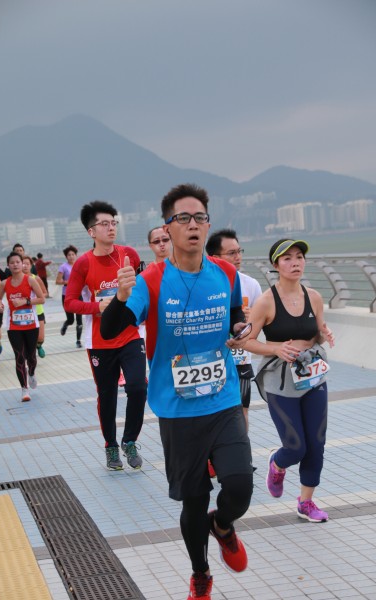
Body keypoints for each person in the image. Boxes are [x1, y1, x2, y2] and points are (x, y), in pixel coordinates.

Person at [101, 183, 253, 600]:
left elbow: (233, 312)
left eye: (200, 217)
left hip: (222, 399)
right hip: (178, 409)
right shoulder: (150, 281)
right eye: (183, 218)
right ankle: (201, 573)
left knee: (240, 487)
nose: (193, 225)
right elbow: (111, 330)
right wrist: (121, 296)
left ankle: (222, 525)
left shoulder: (225, 273)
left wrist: (239, 327)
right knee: (193, 500)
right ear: (167, 228)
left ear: (208, 225)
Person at [243, 239, 335, 523]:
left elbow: (316, 332)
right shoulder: (266, 301)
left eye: (299, 257)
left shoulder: (314, 297)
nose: (295, 263)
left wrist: (325, 334)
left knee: (316, 442)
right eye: (287, 258)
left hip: (313, 376)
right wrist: (275, 349)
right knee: (296, 447)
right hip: (279, 380)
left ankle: (305, 502)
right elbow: (247, 341)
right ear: (276, 264)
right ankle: (277, 463)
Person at [65, 200, 147, 471]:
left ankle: (130, 441)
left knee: (138, 387)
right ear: (91, 231)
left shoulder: (129, 254)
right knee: (107, 394)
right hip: (100, 341)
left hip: (130, 334)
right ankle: (111, 446)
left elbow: (141, 288)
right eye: (104, 224)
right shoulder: (83, 264)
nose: (111, 227)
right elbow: (70, 302)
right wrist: (97, 306)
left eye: (114, 222)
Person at [206, 229, 262, 434]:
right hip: (211, 361)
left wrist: (250, 320)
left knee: (242, 410)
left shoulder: (251, 284)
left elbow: (259, 327)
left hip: (241, 360)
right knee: (212, 413)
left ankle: (242, 451)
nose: (238, 257)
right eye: (231, 253)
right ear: (214, 257)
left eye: (239, 251)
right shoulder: (203, 285)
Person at [0, 251, 45, 402]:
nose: (15, 265)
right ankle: (24, 389)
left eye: (18, 262)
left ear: (22, 264)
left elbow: (42, 299)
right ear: (8, 265)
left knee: (31, 357)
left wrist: (26, 301)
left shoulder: (30, 280)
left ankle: (31, 373)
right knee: (19, 356)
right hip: (14, 326)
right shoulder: (4, 283)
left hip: (31, 324)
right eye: (12, 263)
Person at [56, 245, 83, 348]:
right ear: (66, 256)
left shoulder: (79, 266)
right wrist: (68, 282)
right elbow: (57, 281)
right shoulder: (63, 267)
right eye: (69, 255)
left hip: (78, 295)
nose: (71, 256)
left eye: (73, 254)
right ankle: (66, 325)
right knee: (71, 320)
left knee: (79, 319)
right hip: (67, 296)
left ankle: (78, 341)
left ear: (76, 255)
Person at [22, 256, 48, 358]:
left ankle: (39, 345)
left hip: (38, 311)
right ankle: (29, 354)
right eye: (23, 264)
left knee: (40, 338)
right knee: (28, 337)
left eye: (27, 264)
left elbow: (45, 293)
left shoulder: (36, 278)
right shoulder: (17, 280)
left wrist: (37, 298)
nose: (25, 266)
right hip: (25, 312)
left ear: (31, 265)